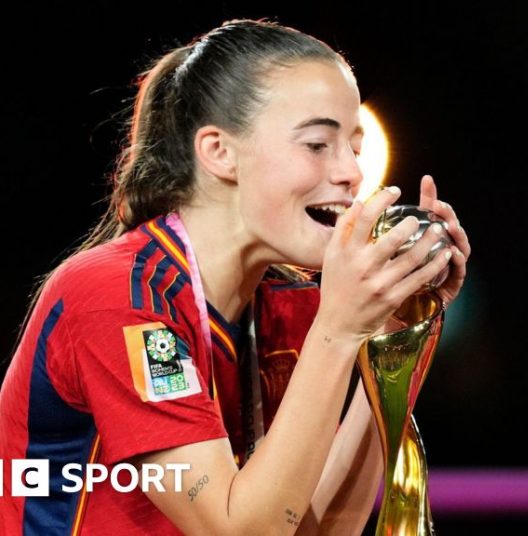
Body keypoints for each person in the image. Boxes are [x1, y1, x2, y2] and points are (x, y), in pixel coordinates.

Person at [0, 18, 471, 535]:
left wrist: (393, 340)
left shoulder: (291, 305)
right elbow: (239, 530)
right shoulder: (117, 296)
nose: (353, 173)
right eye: (318, 144)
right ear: (219, 152)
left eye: (354, 148)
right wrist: (339, 331)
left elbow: (316, 529)